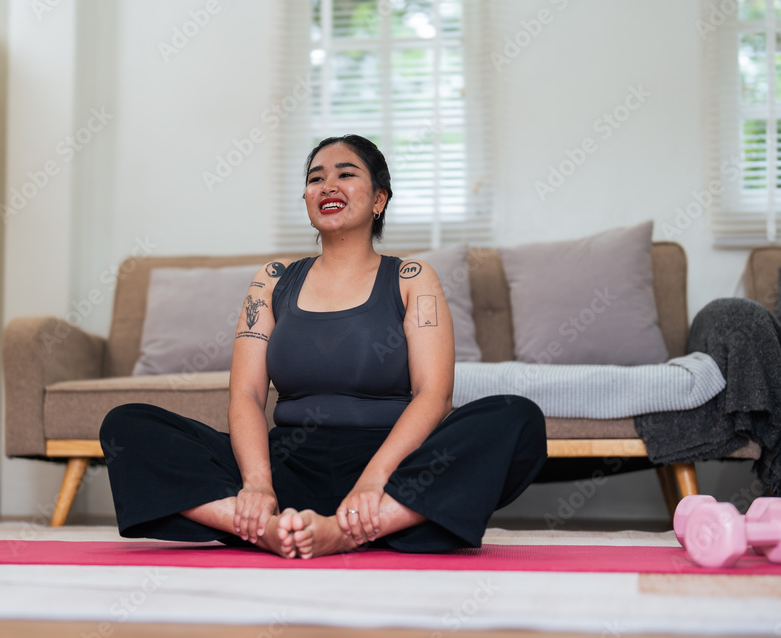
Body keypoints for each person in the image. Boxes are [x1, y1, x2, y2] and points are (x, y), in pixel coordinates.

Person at [100, 134, 548, 558]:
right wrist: (258, 484)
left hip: (391, 471)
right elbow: (247, 395)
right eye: (315, 178)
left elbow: (434, 395)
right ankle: (264, 527)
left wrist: (374, 481)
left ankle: (349, 529)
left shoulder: (413, 278)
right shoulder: (272, 280)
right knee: (128, 424)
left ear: (379, 199)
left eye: (346, 174)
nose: (327, 185)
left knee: (515, 416)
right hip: (287, 467)